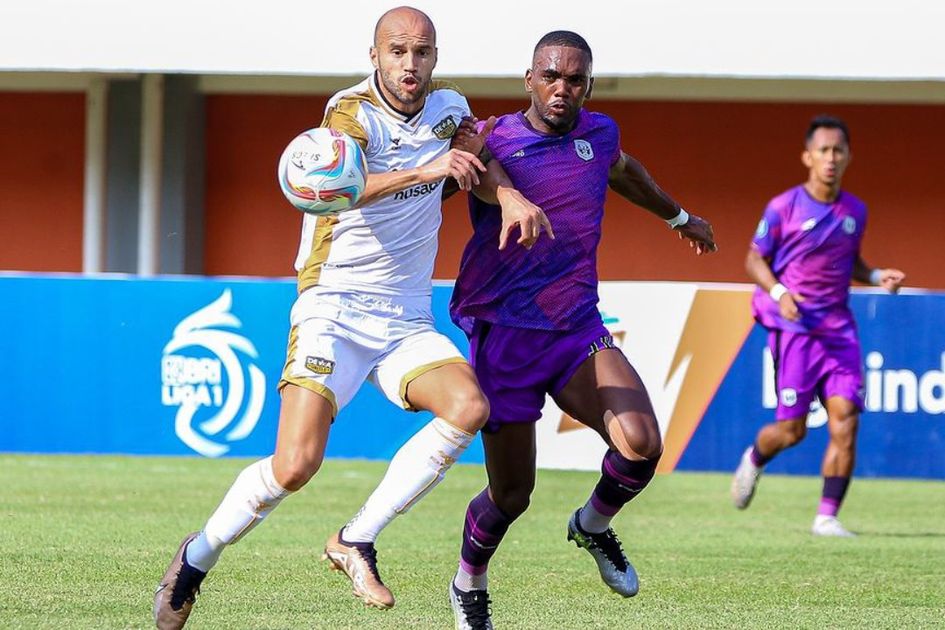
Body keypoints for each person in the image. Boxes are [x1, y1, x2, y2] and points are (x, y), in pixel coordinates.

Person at [152, 7, 549, 629]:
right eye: (397, 51)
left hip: (406, 314)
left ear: (435, 57)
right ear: (374, 55)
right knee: (294, 466)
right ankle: (197, 558)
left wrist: (507, 193)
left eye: (421, 52)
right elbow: (342, 188)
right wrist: (430, 168)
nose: (410, 64)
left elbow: (471, 163)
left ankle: (356, 539)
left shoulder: (450, 108)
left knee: (469, 406)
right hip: (333, 305)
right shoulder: (348, 114)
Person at [445, 31, 718, 629]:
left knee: (641, 444)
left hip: (575, 328)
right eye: (550, 76)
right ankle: (468, 581)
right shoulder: (491, 138)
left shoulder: (601, 134)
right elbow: (452, 179)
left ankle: (592, 525)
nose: (561, 88)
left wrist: (679, 216)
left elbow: (624, 172)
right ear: (529, 79)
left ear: (588, 87)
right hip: (504, 335)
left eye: (574, 79)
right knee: (512, 496)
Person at [730, 115, 905, 537]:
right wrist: (780, 293)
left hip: (839, 331)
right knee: (792, 431)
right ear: (807, 157)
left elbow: (850, 262)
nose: (831, 158)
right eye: (823, 150)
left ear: (848, 157)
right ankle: (755, 458)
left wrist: (875, 274)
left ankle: (826, 517)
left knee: (846, 418)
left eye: (838, 150)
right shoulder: (783, 207)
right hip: (796, 331)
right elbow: (754, 259)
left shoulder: (855, 211)